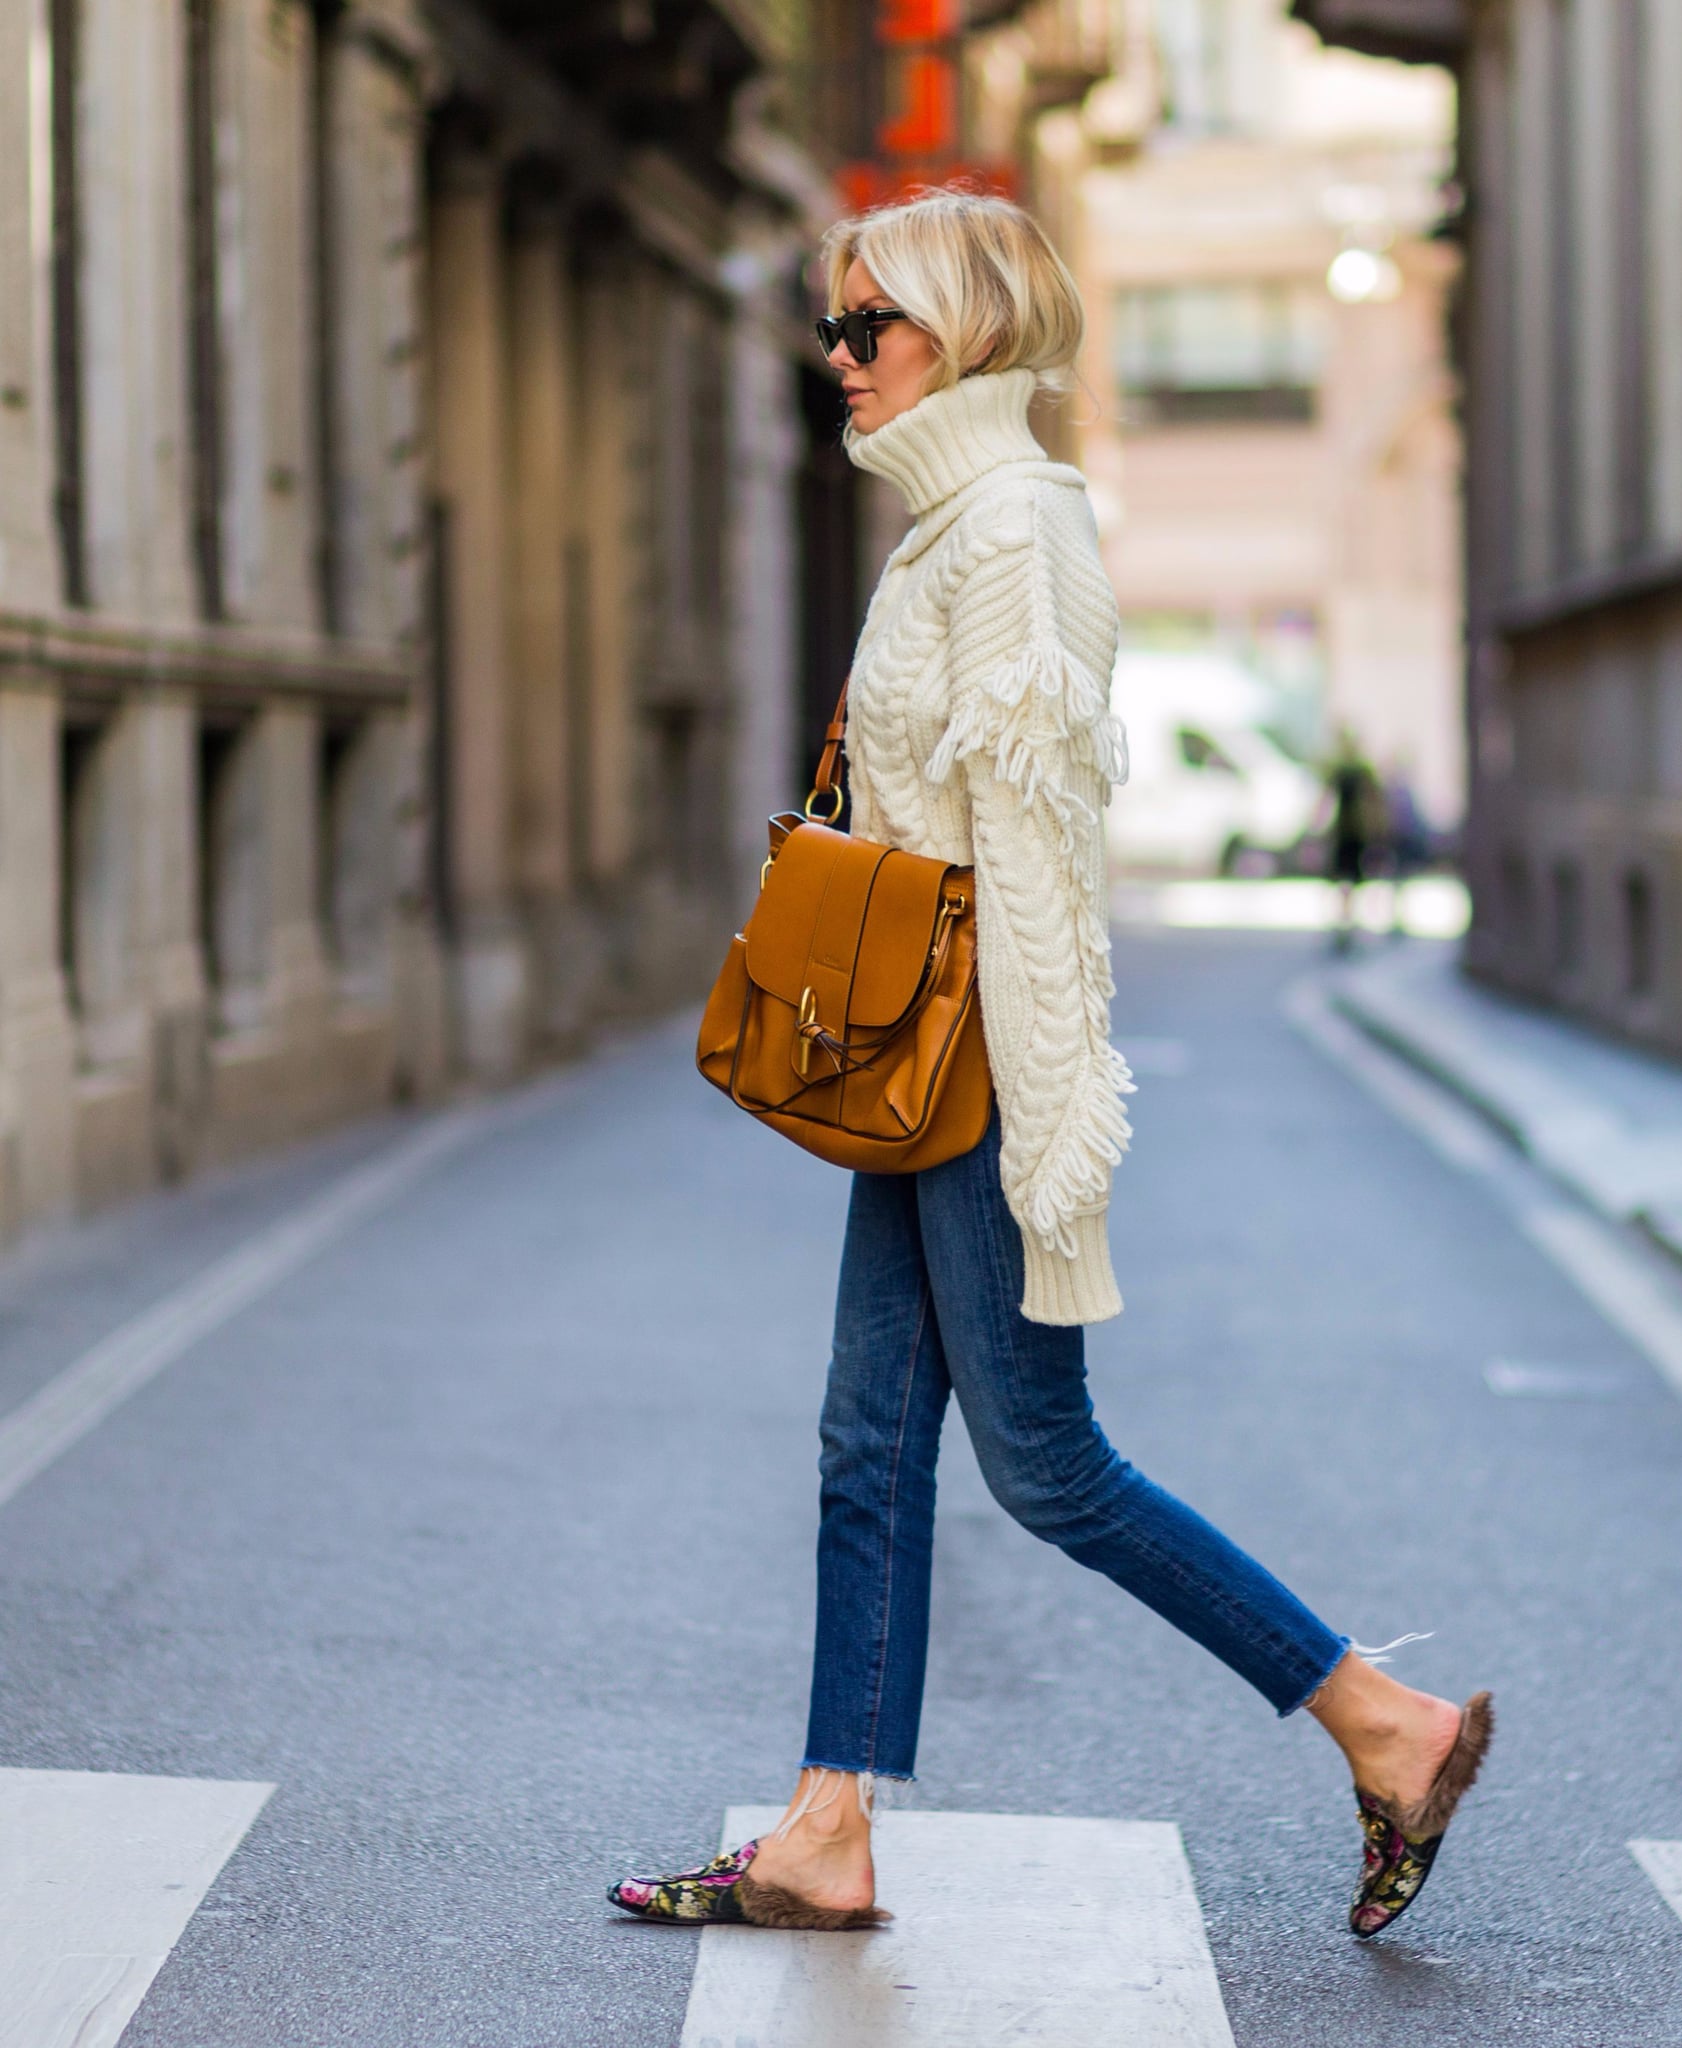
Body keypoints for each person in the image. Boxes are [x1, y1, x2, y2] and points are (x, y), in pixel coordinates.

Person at [607, 189, 1492, 1943]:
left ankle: (1385, 1722)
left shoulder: (1013, 532)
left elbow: (1036, 854)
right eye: (833, 328)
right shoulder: (943, 531)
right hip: (921, 1064)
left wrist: (1046, 1136)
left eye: (870, 328)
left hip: (978, 1071)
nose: (836, 359)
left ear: (968, 332)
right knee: (868, 1438)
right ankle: (823, 1827)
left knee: (1046, 1465)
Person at [1323, 726, 1386, 954]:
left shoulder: (1361, 770)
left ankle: (1352, 927)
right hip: (1343, 833)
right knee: (1343, 884)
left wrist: (1377, 828)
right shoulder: (1340, 770)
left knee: (1358, 883)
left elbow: (1374, 799)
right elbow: (1327, 799)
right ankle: (1344, 927)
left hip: (1358, 834)